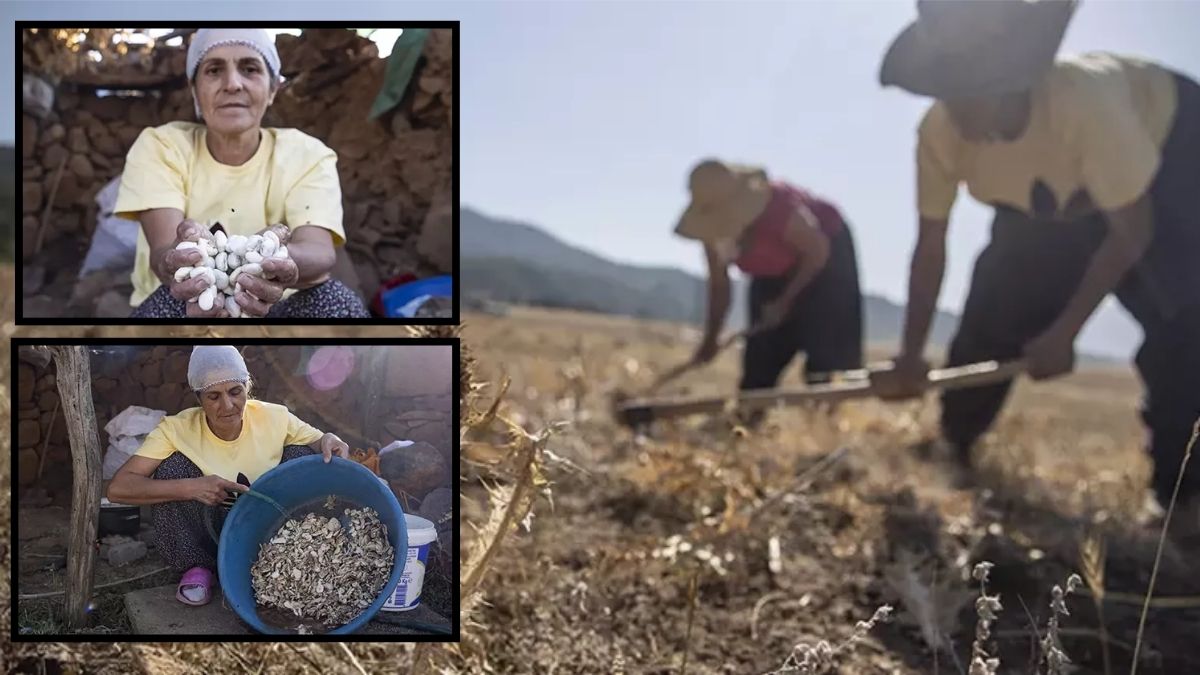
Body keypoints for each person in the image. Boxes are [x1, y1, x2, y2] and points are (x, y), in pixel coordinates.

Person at [872, 0, 1200, 533]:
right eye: (948, 91)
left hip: (1173, 163)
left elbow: (1132, 230)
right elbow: (930, 245)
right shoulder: (940, 134)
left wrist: (1065, 332)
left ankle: (1185, 502)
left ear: (1014, 78)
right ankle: (954, 438)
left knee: (1187, 324)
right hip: (1056, 194)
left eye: (975, 90)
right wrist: (910, 356)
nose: (960, 111)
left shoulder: (1085, 104)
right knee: (1000, 296)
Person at [113, 28, 369, 319]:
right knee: (171, 305)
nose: (233, 84)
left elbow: (320, 252)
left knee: (338, 302)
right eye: (213, 70)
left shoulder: (308, 154)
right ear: (195, 90)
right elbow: (162, 254)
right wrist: (183, 261)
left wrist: (275, 262)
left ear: (273, 89)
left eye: (250, 69)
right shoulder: (161, 146)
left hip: (277, 305)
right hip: (182, 301)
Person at [106, 346, 351, 606]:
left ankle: (294, 558)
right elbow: (119, 488)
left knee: (300, 454)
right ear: (199, 399)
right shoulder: (176, 429)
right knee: (172, 468)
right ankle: (197, 568)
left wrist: (330, 439)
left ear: (248, 388)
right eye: (213, 396)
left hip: (269, 528)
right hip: (209, 528)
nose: (228, 405)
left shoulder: (274, 416)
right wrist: (191, 488)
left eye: (236, 392)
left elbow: (319, 441)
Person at [673, 159, 864, 422]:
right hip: (772, 271)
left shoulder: (779, 209)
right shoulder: (711, 232)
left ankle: (825, 428)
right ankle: (748, 421)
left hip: (825, 262)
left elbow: (817, 250)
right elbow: (719, 286)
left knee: (825, 357)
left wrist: (785, 302)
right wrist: (710, 340)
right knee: (760, 355)